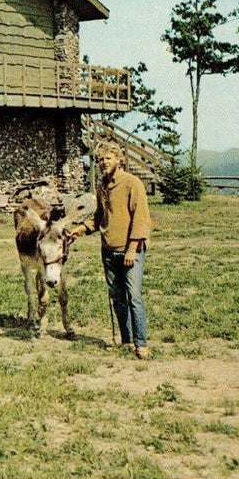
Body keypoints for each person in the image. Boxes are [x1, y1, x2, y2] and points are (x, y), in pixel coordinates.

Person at [71, 141, 154, 359]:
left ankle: (141, 344)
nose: (104, 163)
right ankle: (126, 340)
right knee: (117, 296)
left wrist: (132, 249)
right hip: (108, 251)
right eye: (100, 159)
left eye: (108, 158)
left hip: (130, 250)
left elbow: (141, 218)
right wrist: (79, 230)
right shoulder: (101, 187)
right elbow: (99, 218)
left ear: (119, 160)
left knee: (133, 296)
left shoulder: (132, 183)